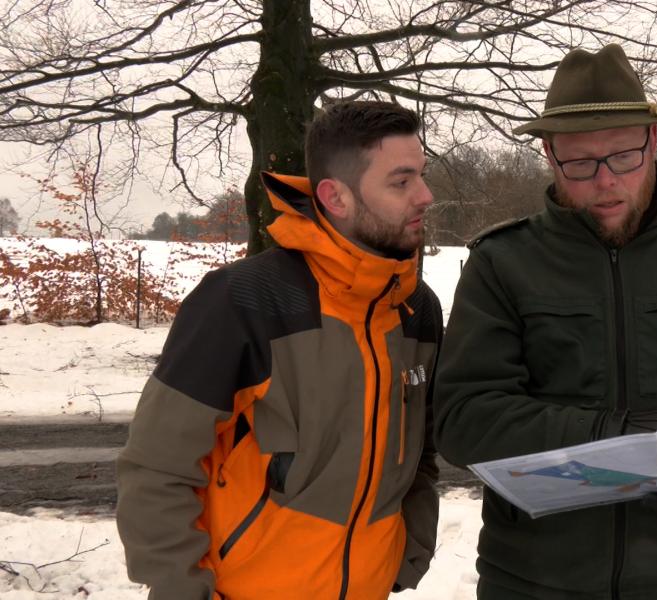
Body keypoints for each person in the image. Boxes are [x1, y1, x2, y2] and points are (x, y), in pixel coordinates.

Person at [433, 44, 657, 599]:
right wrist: (616, 435)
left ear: (653, 142)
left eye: (624, 156)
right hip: (531, 580)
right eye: (579, 163)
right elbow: (463, 419)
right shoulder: (503, 263)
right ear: (549, 155)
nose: (605, 182)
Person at [116, 100, 442, 600]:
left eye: (421, 175)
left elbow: (419, 455)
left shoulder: (418, 309)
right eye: (401, 182)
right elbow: (158, 466)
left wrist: (410, 550)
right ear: (336, 197)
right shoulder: (243, 300)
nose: (425, 195)